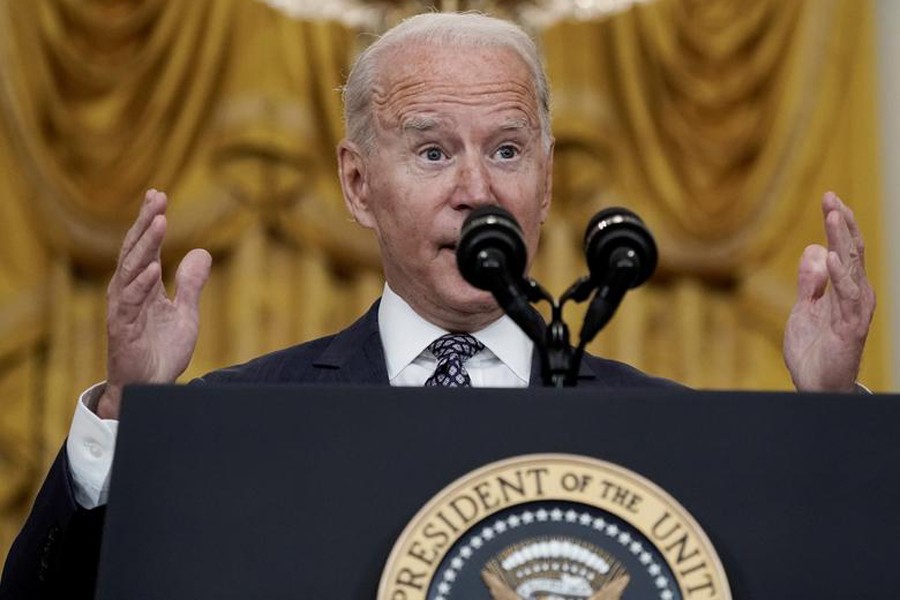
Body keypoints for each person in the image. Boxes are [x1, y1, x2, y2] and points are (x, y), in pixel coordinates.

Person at [0, 12, 875, 599]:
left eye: (505, 148)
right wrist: (126, 412)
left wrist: (834, 425)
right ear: (356, 183)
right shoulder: (240, 420)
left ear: (547, 182)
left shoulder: (668, 433)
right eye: (430, 152)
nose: (476, 190)